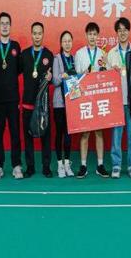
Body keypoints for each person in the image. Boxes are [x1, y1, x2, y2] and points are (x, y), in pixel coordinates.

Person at [0, 12, 23, 180]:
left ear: (11, 25)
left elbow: (20, 69)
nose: (5, 26)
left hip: (13, 98)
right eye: (2, 23)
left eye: (7, 23)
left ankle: (16, 165)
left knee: (15, 133)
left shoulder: (16, 46)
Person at [74, 22, 110, 178]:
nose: (92, 37)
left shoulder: (103, 54)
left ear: (98, 36)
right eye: (90, 34)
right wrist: (85, 72)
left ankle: (100, 165)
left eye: (95, 34)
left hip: (99, 97)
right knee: (85, 133)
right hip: (84, 98)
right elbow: (76, 77)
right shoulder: (79, 54)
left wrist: (104, 68)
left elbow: (107, 75)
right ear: (86, 35)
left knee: (99, 132)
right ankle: (83, 165)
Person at [107, 18, 131, 179]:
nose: (122, 33)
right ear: (116, 33)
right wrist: (110, 71)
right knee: (116, 137)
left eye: (125, 30)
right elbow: (106, 79)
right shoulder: (111, 54)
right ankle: (116, 166)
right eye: (119, 30)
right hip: (116, 102)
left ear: (129, 31)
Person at [20, 22, 54, 178]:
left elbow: (53, 78)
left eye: (40, 33)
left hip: (43, 105)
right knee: (28, 136)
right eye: (35, 33)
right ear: (31, 34)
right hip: (27, 102)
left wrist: (51, 77)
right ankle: (30, 167)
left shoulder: (49, 55)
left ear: (43, 34)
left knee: (45, 135)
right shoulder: (24, 55)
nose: (37, 36)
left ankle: (46, 167)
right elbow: (13, 72)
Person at [52, 30, 77, 178]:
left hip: (71, 102)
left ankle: (67, 163)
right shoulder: (57, 59)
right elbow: (55, 81)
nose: (67, 43)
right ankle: (59, 164)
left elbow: (77, 79)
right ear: (61, 43)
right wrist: (63, 76)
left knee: (68, 134)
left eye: (69, 41)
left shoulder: (74, 59)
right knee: (59, 133)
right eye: (64, 41)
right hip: (59, 103)